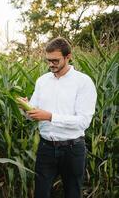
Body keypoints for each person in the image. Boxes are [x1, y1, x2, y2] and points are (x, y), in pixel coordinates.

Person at [20, 37, 97, 198]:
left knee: (72, 193)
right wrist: (26, 109)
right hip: (46, 147)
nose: (51, 64)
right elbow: (32, 114)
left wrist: (50, 117)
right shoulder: (42, 81)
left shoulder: (83, 82)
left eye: (55, 60)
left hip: (72, 149)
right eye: (48, 60)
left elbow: (83, 121)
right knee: (40, 193)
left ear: (68, 57)